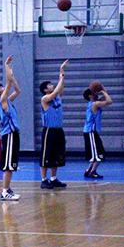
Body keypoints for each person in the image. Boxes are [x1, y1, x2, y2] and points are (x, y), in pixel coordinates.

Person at [0, 55, 21, 201]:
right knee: (8, 165)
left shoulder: (7, 100)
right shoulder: (2, 101)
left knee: (11, 165)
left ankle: (8, 189)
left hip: (14, 134)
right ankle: (5, 191)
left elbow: (18, 90)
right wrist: (7, 66)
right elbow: (9, 82)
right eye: (1, 87)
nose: (4, 87)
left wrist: (12, 77)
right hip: (9, 134)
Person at [39, 60, 69, 190]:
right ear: (45, 89)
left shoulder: (57, 97)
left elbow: (60, 88)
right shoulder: (45, 99)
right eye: (50, 85)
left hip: (58, 130)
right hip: (49, 131)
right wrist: (60, 75)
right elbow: (56, 91)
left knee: (57, 155)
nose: (52, 85)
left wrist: (62, 71)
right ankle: (43, 180)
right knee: (46, 155)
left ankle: (53, 178)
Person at [83, 84, 113, 178]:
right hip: (90, 132)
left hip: (91, 132)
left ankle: (88, 170)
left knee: (95, 153)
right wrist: (103, 91)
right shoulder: (95, 104)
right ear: (90, 96)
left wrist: (103, 89)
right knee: (99, 154)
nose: (96, 94)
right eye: (94, 93)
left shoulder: (94, 103)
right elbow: (109, 101)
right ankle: (93, 172)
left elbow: (106, 97)